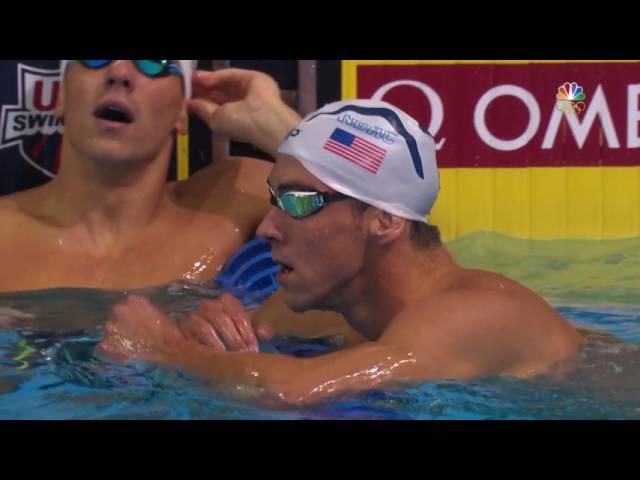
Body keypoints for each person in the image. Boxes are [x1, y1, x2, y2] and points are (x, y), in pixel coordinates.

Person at [97, 99, 582, 405]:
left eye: (297, 202)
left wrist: (167, 350)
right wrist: (213, 334)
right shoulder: (328, 310)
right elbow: (255, 355)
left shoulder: (480, 314)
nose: (266, 228)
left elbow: (296, 389)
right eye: (273, 200)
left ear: (384, 221)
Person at [0, 61, 296, 292]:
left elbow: (341, 200)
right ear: (61, 94)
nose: (118, 72)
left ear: (182, 108)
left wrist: (281, 129)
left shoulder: (235, 197)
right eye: (94, 59)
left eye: (152, 61)